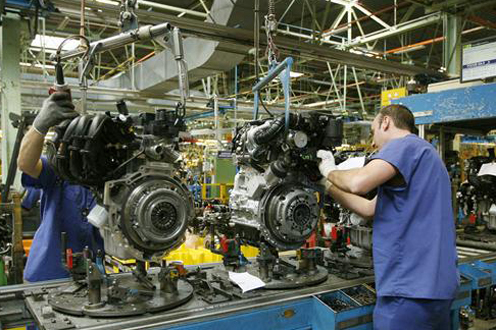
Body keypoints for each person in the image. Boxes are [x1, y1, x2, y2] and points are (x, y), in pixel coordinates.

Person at [318, 104, 459, 330]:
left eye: (373, 131)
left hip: (409, 288)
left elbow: (357, 183)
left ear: (385, 122)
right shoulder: (426, 155)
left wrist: (328, 170)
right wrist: (327, 187)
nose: (373, 142)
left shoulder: (405, 145)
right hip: (436, 286)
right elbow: (369, 208)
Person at [17, 92, 103, 282]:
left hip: (92, 273)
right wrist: (40, 125)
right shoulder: (56, 168)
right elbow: (25, 163)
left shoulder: (103, 176)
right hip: (49, 272)